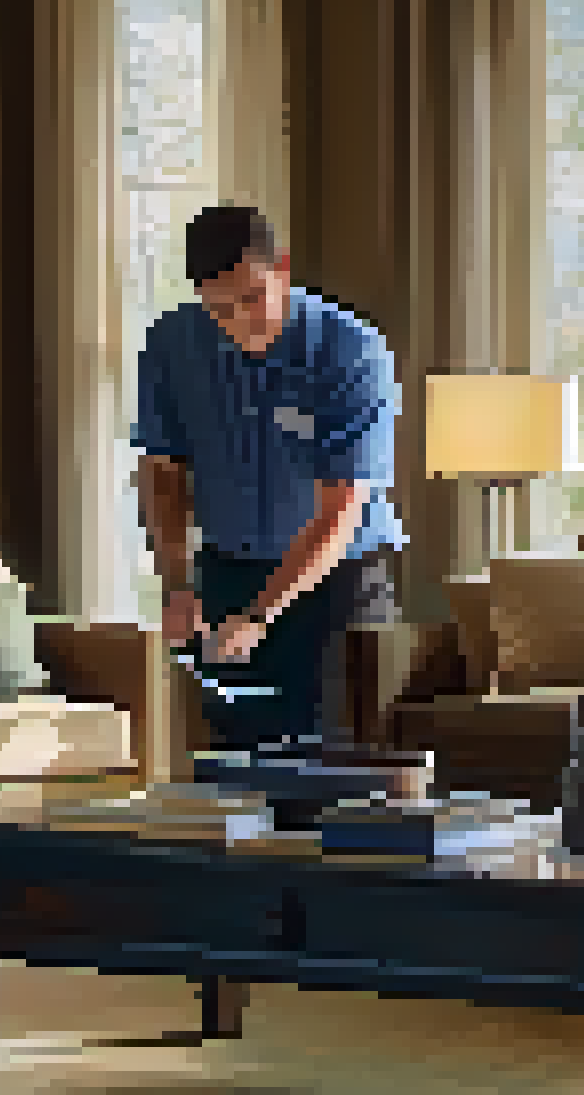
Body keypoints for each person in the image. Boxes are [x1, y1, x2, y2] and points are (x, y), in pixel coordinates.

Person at [132, 205, 404, 750]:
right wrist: (179, 585)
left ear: (280, 268)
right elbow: (163, 475)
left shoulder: (349, 349)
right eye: (220, 309)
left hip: (339, 576)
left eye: (252, 297)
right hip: (228, 569)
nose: (240, 322)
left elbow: (340, 510)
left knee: (333, 757)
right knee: (234, 757)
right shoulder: (171, 344)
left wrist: (261, 614)